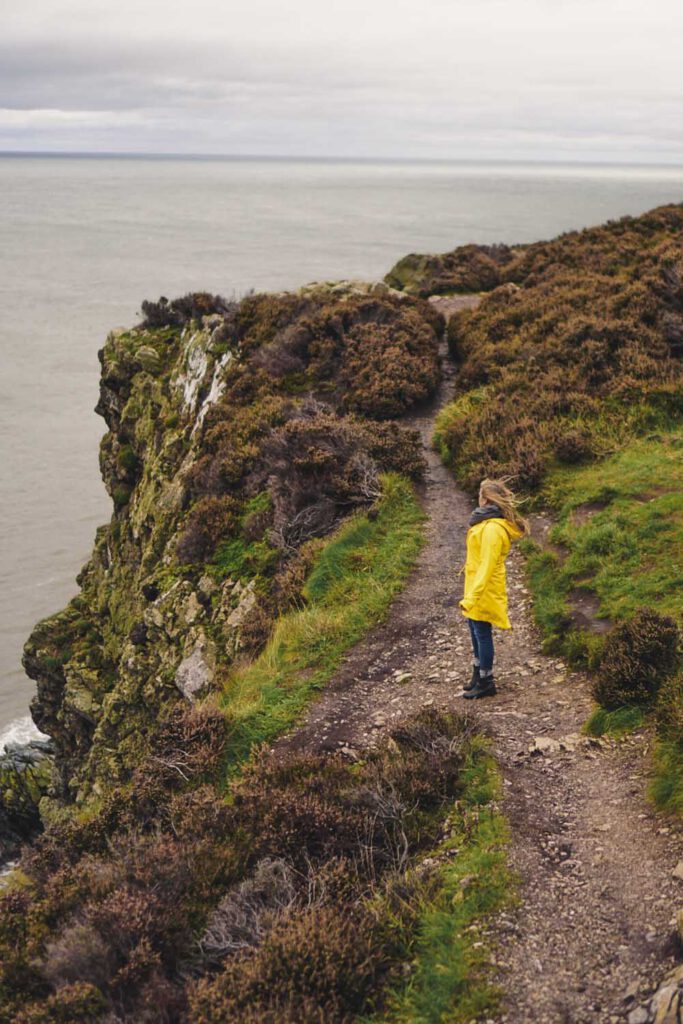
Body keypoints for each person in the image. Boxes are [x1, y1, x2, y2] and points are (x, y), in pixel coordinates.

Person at [458, 477, 530, 699]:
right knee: (474, 628)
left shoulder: (492, 529)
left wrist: (472, 596)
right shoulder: (485, 522)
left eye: (480, 494)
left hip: (485, 587)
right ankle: (477, 674)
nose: (477, 498)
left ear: (486, 499)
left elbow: (487, 566)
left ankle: (487, 681)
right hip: (476, 584)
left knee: (482, 631)